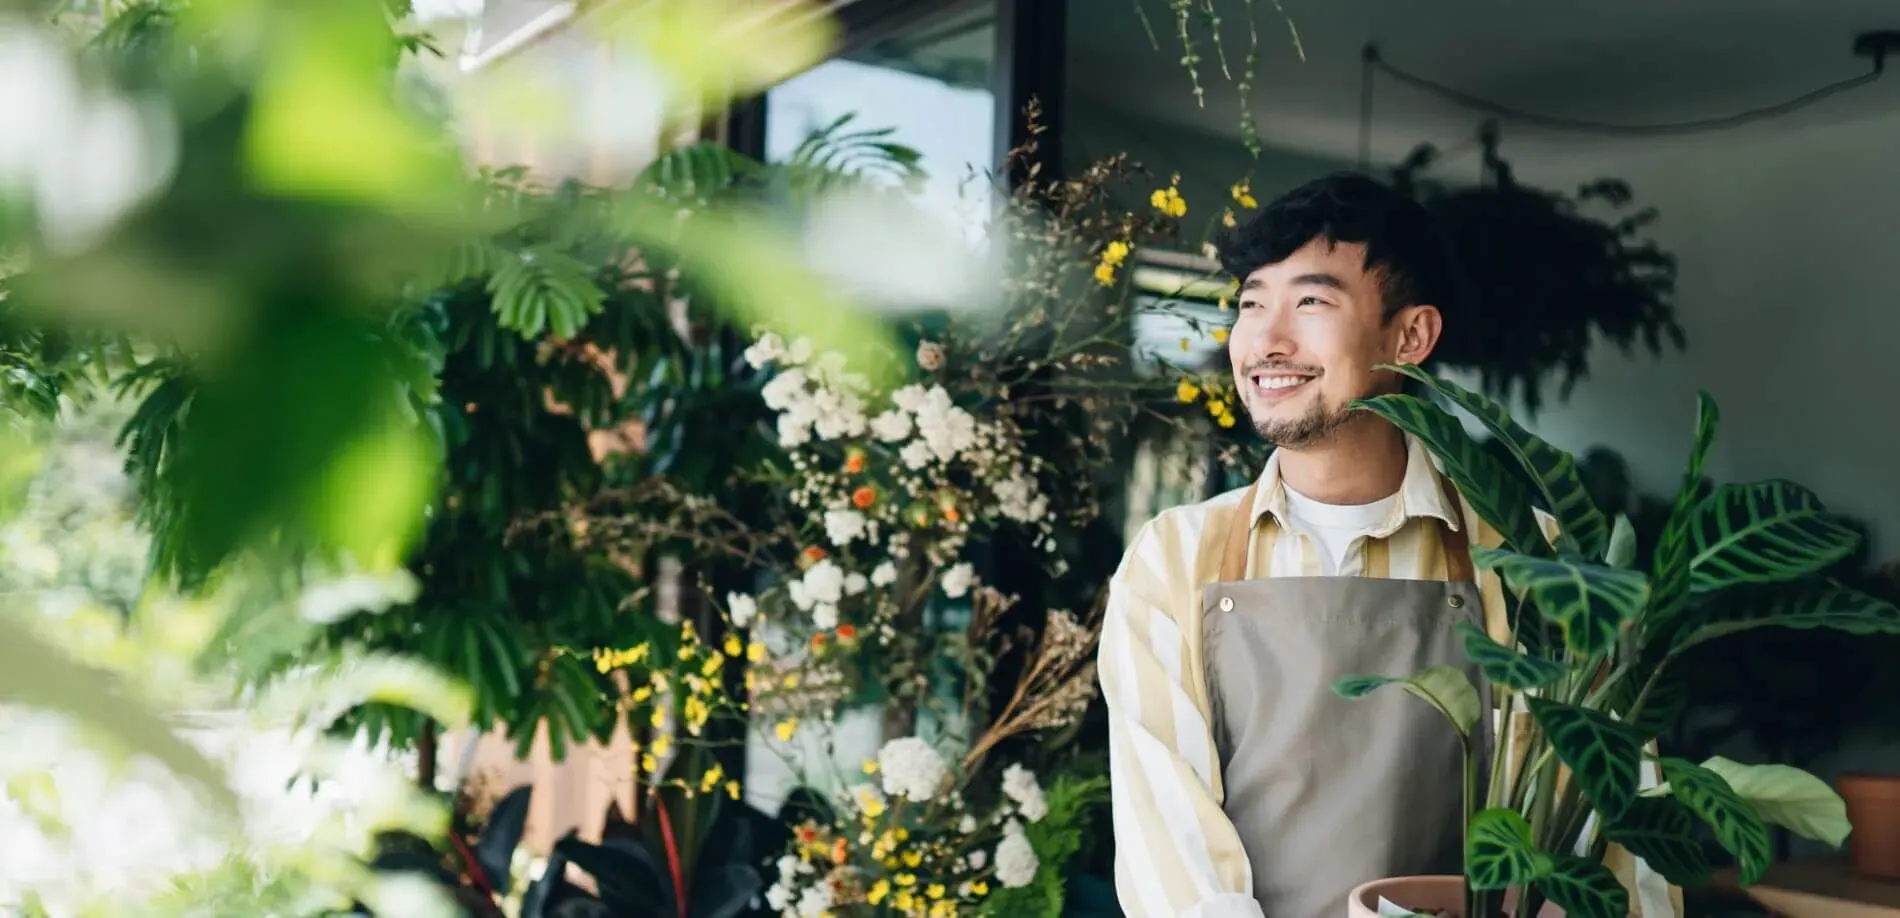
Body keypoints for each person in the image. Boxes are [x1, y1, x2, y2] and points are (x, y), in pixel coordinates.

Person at [1097, 173, 1678, 918]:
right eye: (1251, 303)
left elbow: (1618, 849)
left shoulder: (1544, 563)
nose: (1266, 340)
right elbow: (1170, 861)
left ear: (1410, 336)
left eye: (1310, 301)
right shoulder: (1174, 558)